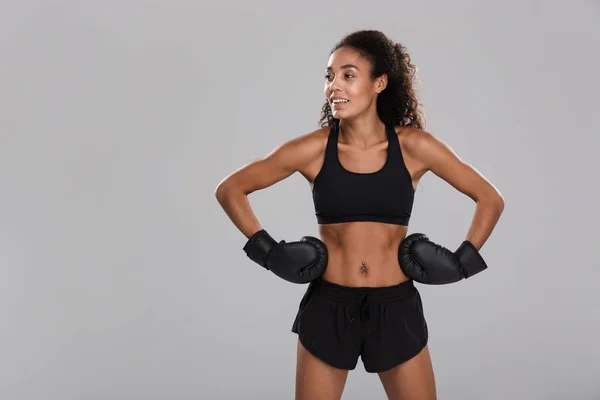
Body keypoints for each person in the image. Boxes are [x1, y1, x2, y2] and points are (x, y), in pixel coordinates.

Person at [215, 29, 504, 400]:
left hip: (395, 307)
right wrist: (269, 253)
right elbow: (230, 189)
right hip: (328, 307)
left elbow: (489, 199)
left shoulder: (414, 147)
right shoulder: (314, 149)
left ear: (379, 83)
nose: (334, 86)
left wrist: (461, 263)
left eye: (348, 75)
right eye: (329, 76)